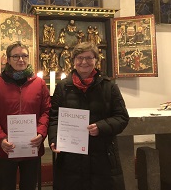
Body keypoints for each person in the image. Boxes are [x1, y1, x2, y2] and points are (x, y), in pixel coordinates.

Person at [48, 42, 129, 190]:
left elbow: (122, 117)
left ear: (95, 60)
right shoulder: (63, 87)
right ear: (73, 61)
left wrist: (101, 127)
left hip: (102, 155)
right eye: (79, 58)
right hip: (71, 157)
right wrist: (54, 139)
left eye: (89, 58)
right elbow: (54, 117)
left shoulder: (109, 86)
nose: (84, 62)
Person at [0, 41, 51, 190]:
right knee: (6, 185)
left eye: (24, 56)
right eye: (16, 56)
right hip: (5, 147)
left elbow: (46, 112)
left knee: (29, 185)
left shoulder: (39, 83)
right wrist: (1, 139)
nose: (21, 59)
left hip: (32, 146)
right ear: (8, 59)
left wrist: (41, 133)